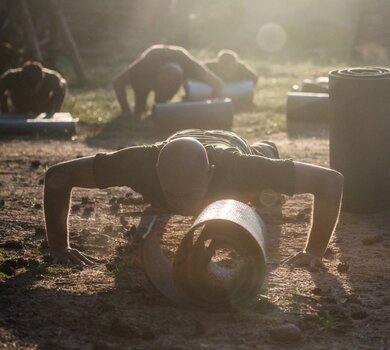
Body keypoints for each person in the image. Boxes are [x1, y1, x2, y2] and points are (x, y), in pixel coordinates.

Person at [44, 129, 344, 270]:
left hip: (233, 145)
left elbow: (330, 180)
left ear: (209, 175)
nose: (182, 208)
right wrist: (60, 246)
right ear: (156, 173)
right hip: (180, 137)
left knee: (266, 192)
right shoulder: (137, 164)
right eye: (172, 195)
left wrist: (314, 250)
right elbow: (58, 176)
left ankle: (266, 146)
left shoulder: (240, 169)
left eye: (190, 196)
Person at [113, 44, 224, 121]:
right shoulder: (145, 66)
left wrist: (213, 108)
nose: (165, 90)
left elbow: (217, 83)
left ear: (181, 81)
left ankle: (159, 105)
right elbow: (118, 83)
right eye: (164, 88)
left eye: (171, 89)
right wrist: (125, 110)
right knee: (139, 110)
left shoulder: (190, 66)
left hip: (172, 66)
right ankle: (141, 106)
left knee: (160, 105)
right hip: (147, 75)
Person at [0, 61, 67, 114]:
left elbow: (61, 90)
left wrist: (56, 111)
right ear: (21, 77)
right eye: (28, 84)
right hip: (21, 105)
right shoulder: (10, 77)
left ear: (42, 79)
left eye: (34, 84)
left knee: (63, 83)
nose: (31, 89)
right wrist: (5, 111)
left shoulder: (53, 78)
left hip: (44, 105)